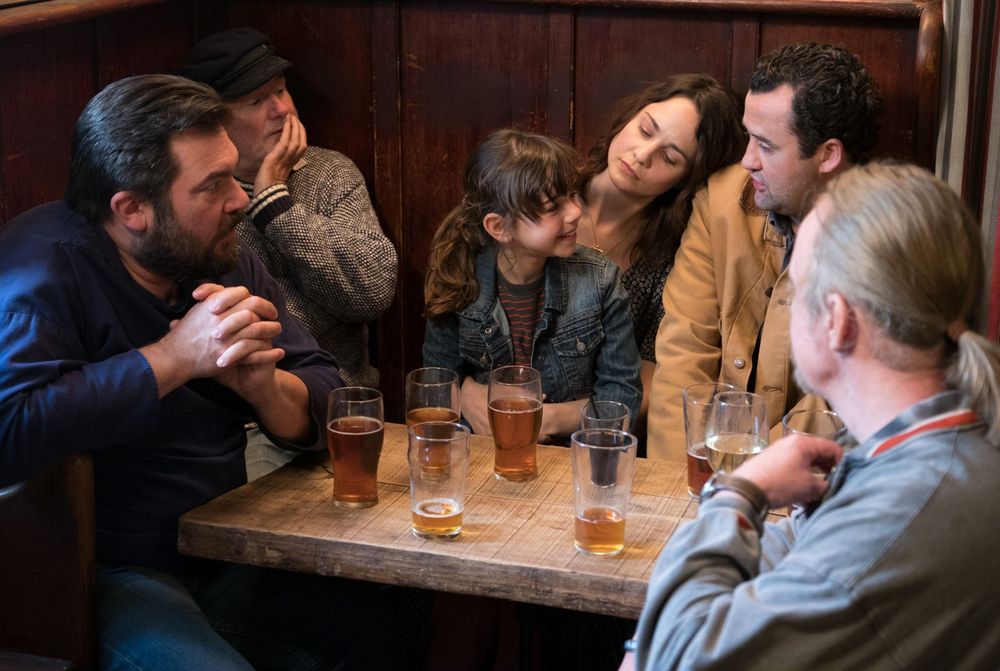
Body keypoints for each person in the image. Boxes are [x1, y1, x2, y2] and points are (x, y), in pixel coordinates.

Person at [0, 74, 403, 670]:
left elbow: (326, 385)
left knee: (396, 609)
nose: (241, 199)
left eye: (233, 175)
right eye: (214, 184)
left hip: (227, 539)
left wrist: (268, 391)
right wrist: (173, 358)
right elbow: (10, 428)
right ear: (132, 209)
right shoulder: (41, 272)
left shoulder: (217, 250)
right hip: (105, 573)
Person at [623, 162, 1000, 669]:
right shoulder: (918, 449)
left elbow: (679, 659)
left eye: (797, 290)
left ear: (837, 321)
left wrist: (736, 495)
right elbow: (793, 554)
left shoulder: (903, 504)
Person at [646, 42, 883, 460]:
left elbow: (842, 400)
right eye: (748, 137)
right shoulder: (721, 202)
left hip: (811, 479)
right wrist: (671, 482)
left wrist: (746, 480)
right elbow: (684, 352)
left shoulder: (887, 239)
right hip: (703, 470)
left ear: (828, 155)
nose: (747, 160)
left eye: (766, 146)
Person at [181, 27, 397, 389]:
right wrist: (329, 302)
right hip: (240, 402)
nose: (281, 109)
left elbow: (371, 292)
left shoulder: (329, 172)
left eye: (281, 90)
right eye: (256, 101)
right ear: (215, 121)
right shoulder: (198, 195)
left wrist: (274, 204)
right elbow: (223, 327)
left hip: (340, 399)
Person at [422, 128, 642, 442]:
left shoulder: (600, 279)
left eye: (572, 195)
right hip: (481, 453)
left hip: (570, 456)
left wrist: (544, 419)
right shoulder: (458, 276)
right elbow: (435, 390)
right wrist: (464, 394)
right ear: (499, 227)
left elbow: (623, 404)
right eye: (552, 208)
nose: (575, 212)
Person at [576, 74, 746, 430]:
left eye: (669, 157)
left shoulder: (673, 257)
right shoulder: (543, 193)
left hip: (605, 436)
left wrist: (556, 418)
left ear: (686, 180)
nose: (641, 155)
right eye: (645, 130)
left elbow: (657, 381)